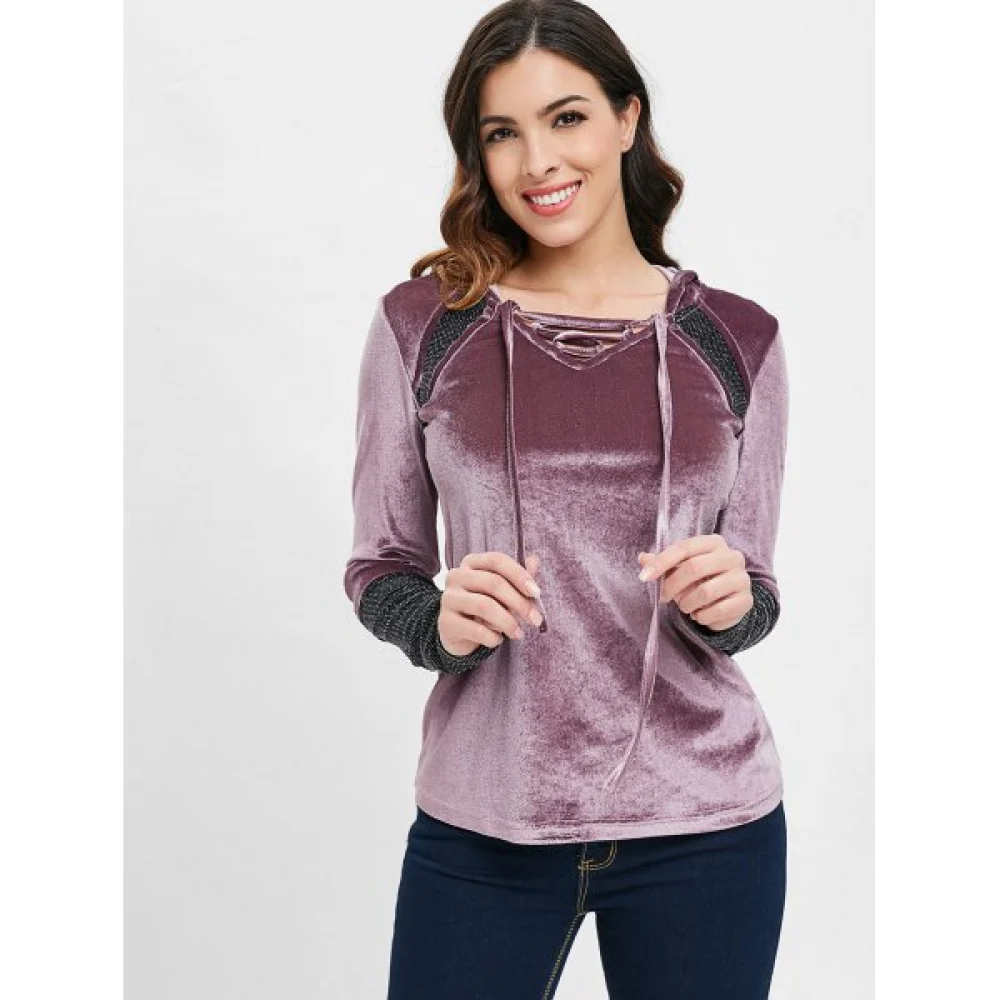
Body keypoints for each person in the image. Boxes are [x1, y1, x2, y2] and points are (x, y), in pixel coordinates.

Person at [343, 1, 790, 996]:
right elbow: (380, 565)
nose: (537, 161)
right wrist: (437, 622)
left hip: (708, 826)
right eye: (502, 132)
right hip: (485, 822)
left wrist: (732, 602)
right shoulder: (423, 326)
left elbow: (755, 588)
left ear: (627, 118)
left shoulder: (739, 338)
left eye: (568, 118)